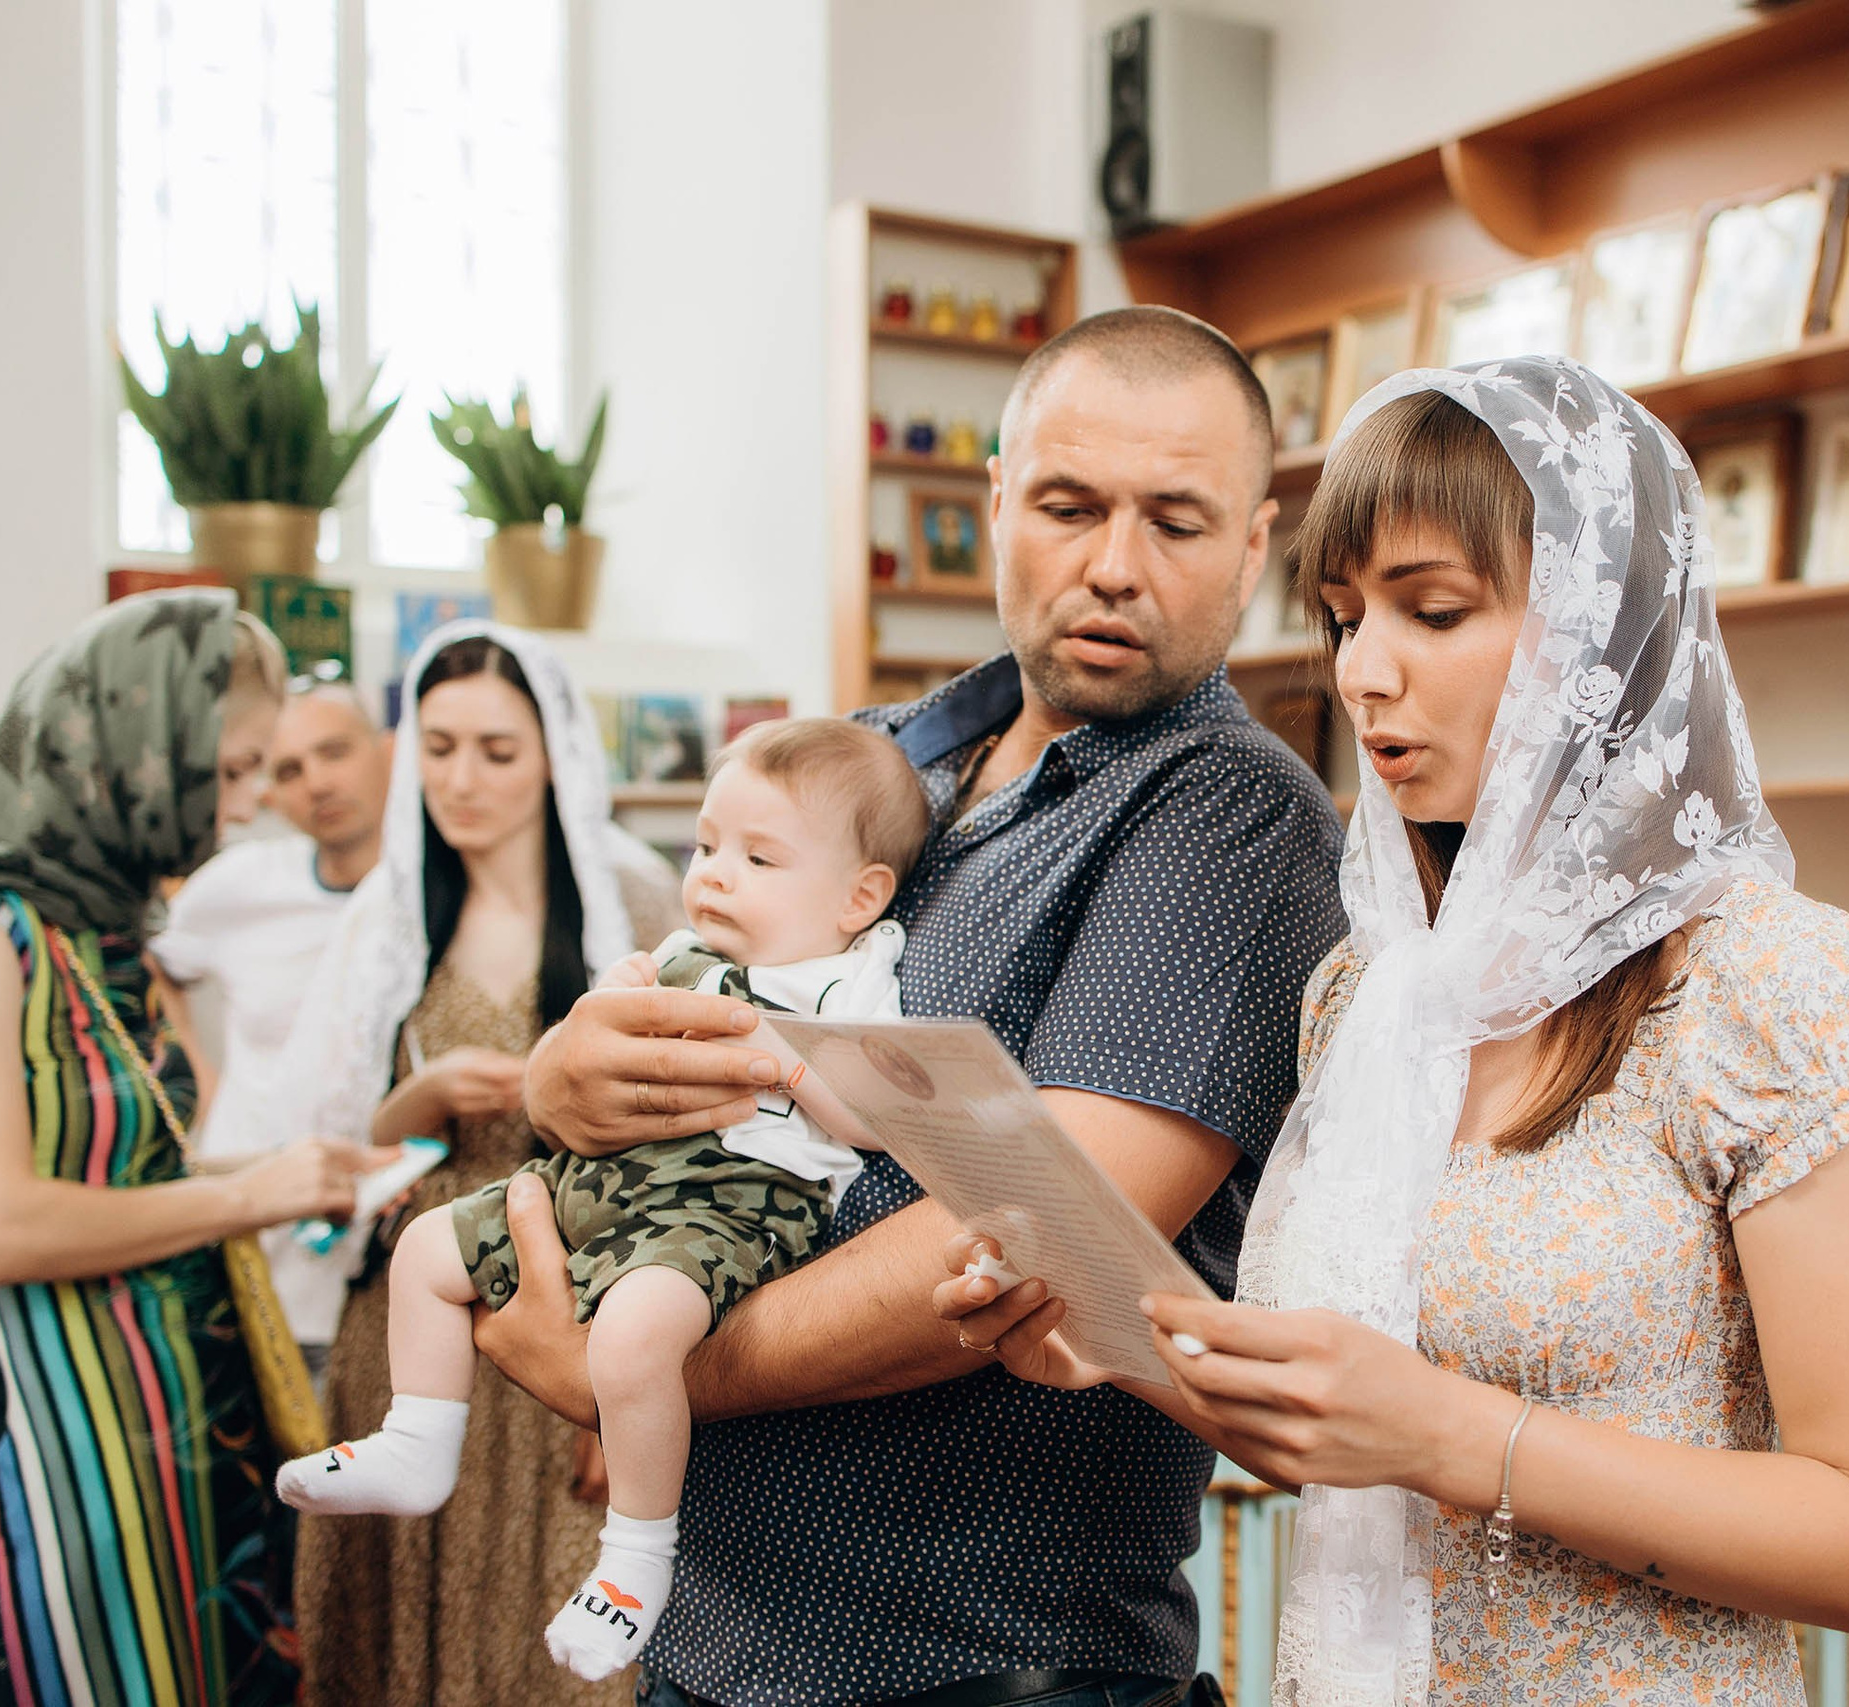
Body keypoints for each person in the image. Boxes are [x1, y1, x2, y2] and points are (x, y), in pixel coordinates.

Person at [940, 360, 1849, 1705]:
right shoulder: (1368, 995)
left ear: (1604, 629)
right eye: (1344, 616)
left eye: (1433, 610)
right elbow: (1351, 1421)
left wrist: (1455, 1433)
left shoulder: (1768, 979)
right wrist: (1128, 1342)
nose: (1365, 674)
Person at [478, 306, 1349, 1707]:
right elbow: (695, 1002)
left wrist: (637, 1373)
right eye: (1068, 505)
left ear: (1255, 546)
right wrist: (567, 1075)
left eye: (1177, 523)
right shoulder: (880, 759)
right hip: (709, 1632)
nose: (1114, 566)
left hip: (981, 1666)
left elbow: (1030, 1231)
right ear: (997, 500)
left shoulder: (1229, 816)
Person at [280, 716, 927, 1684]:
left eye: (757, 857)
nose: (714, 873)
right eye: (705, 846)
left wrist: (791, 1065)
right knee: (428, 1250)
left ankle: (632, 1561)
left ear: (857, 896)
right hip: (610, 1178)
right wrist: (615, 998)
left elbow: (877, 1125)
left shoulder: (850, 979)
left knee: (632, 1339)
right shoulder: (683, 946)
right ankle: (416, 1441)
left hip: (735, 1201)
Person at [0, 590, 381, 1707]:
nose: (250, 807)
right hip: (58, 1447)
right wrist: (244, 1197)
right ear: (125, 747)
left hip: (172, 1420)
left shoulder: (96, 929)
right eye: (227, 774)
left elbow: (120, 1174)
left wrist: (281, 1174)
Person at [273, 620, 684, 1707]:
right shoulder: (389, 921)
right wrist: (418, 1100)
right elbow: (319, 1172)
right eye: (440, 747)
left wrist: (629, 1394)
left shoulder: (634, 902)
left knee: (557, 1655)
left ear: (553, 753)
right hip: (415, 1332)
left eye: (497, 751)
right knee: (410, 1636)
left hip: (569, 1319)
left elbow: (694, 1139)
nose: (463, 779)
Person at [151, 667, 394, 1357]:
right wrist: (195, 1069)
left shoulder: (433, 895)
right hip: (244, 1222)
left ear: (386, 750)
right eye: (287, 769)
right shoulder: (240, 886)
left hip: (371, 1246)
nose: (316, 782)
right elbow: (154, 962)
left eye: (335, 752)